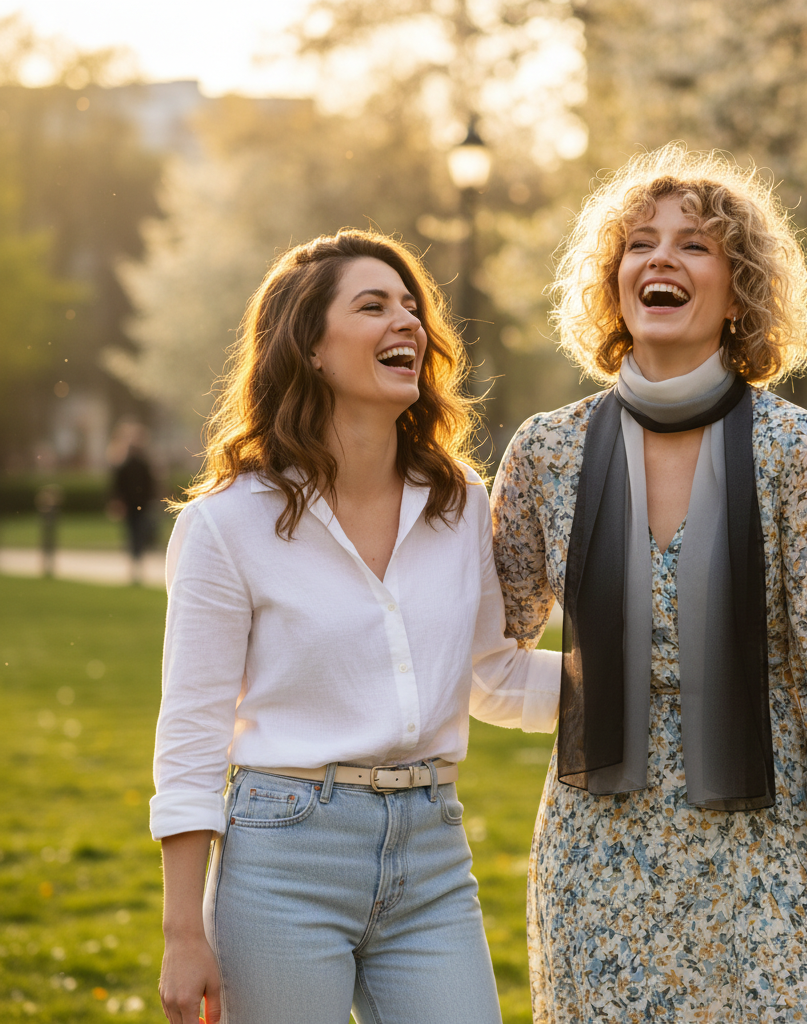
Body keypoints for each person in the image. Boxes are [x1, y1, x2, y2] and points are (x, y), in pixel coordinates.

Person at [490, 145, 807, 1023]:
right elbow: (486, 645)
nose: (661, 260)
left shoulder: (795, 449)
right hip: (599, 843)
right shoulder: (547, 452)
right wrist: (592, 686)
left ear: (738, 288)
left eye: (694, 245)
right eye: (639, 244)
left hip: (771, 830)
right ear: (614, 282)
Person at [151, 228, 561, 1024]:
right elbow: (193, 734)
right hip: (284, 856)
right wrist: (180, 931)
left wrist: (649, 679)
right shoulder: (227, 524)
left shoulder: (458, 500)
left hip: (432, 849)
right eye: (372, 306)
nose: (406, 322)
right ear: (307, 346)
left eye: (411, 307)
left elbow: (493, 676)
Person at [111, 438, 157, 585]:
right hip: (141, 505)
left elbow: (117, 488)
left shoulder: (124, 466)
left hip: (132, 505)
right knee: (138, 532)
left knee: (133, 533)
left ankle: (135, 560)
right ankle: (137, 560)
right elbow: (151, 484)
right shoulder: (143, 465)